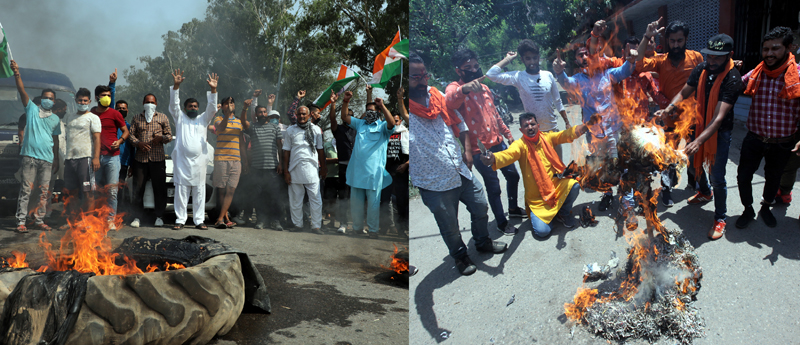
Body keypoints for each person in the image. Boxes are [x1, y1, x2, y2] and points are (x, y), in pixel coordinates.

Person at [409, 52, 507, 276]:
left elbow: (459, 121)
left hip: (458, 168)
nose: (422, 79)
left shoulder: (435, 95)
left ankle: (482, 241)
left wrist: (466, 150)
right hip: (433, 181)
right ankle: (461, 257)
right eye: (415, 76)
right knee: (450, 226)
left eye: (424, 74)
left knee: (481, 205)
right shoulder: (402, 110)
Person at [655, 34, 743, 240]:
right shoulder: (701, 69)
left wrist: (698, 141)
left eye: (717, 58)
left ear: (729, 55)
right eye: (709, 56)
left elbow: (718, 118)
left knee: (717, 176)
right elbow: (684, 92)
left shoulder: (733, 79)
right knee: (693, 162)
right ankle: (705, 192)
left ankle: (720, 218)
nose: (711, 62)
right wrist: (668, 109)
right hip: (698, 123)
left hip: (718, 132)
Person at [446, 48, 525, 236]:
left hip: (498, 143)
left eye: (475, 66)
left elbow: (495, 114)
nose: (473, 70)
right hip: (479, 150)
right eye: (468, 67)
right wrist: (464, 89)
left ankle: (513, 208)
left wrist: (507, 134)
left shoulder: (485, 88)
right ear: (459, 71)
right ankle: (501, 221)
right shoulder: (454, 88)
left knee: (513, 175)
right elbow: (449, 101)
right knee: (494, 187)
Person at [553, 44, 636, 215]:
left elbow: (625, 71)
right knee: (601, 166)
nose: (584, 57)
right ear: (576, 60)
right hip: (594, 134)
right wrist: (559, 73)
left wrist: (631, 60)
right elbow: (566, 83)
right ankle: (607, 193)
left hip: (613, 129)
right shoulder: (577, 79)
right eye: (579, 55)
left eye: (586, 54)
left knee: (621, 165)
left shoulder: (607, 74)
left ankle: (627, 201)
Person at [481, 113, 594, 237]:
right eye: (526, 125)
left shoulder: (547, 137)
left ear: (538, 125)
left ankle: (563, 212)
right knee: (542, 232)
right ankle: (548, 215)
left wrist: (585, 127)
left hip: (555, 188)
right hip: (538, 199)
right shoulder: (520, 145)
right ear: (521, 129)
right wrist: (493, 158)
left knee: (574, 185)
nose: (530, 127)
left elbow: (565, 135)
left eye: (532, 124)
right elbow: (509, 154)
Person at [734, 27, 800, 229]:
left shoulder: (797, 75)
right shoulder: (757, 72)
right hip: (754, 138)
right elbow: (736, 85)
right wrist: (728, 69)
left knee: (773, 178)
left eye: (775, 49)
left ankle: (765, 207)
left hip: (782, 143)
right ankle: (748, 209)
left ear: (789, 48)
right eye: (766, 49)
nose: (769, 54)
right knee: (743, 176)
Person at [636, 19, 705, 206]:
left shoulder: (696, 58)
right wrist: (647, 36)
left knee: (692, 155)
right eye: (672, 41)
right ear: (667, 41)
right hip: (670, 120)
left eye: (679, 41)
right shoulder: (660, 61)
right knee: (668, 158)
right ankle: (666, 191)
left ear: (686, 39)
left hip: (692, 118)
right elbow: (638, 63)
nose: (676, 45)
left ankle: (695, 183)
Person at [486, 39, 571, 160]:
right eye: (528, 58)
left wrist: (567, 122)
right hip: (532, 134)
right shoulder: (518, 77)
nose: (532, 62)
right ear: (522, 59)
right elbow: (491, 75)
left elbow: (558, 101)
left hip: (552, 130)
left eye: (535, 58)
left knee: (559, 169)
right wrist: (508, 59)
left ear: (538, 57)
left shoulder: (548, 75)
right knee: (542, 171)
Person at [9, 60, 62, 232]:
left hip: (47, 160)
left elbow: (55, 141)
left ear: (54, 102)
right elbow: (21, 90)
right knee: (26, 190)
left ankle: (39, 220)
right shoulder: (31, 109)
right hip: (30, 158)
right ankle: (21, 221)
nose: (48, 100)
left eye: (51, 98)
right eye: (45, 97)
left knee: (44, 192)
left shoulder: (56, 119)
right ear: (41, 99)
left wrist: (56, 160)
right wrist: (17, 72)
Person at [167, 69, 219, 230]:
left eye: (195, 106)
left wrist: (213, 89)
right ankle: (180, 220)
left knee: (199, 192)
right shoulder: (180, 118)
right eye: (190, 106)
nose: (193, 108)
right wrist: (176, 86)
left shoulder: (203, 119)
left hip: (199, 163)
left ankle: (199, 220)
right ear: (185, 108)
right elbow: (174, 105)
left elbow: (212, 108)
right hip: (182, 162)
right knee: (181, 192)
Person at [341, 90, 396, 239]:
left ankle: (373, 230)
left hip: (374, 174)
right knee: (356, 204)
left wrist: (383, 106)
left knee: (373, 205)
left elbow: (392, 123)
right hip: (357, 172)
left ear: (378, 113)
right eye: (367, 111)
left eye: (372, 111)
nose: (369, 114)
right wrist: (345, 101)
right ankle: (357, 228)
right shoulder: (360, 124)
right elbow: (344, 117)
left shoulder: (383, 127)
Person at [242, 93, 286, 231]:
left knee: (274, 196)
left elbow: (280, 146)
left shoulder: (275, 127)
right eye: (259, 112)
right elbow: (243, 122)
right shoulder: (253, 127)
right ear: (256, 114)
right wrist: (244, 108)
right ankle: (260, 220)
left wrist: (281, 164)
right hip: (256, 168)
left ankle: (275, 221)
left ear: (267, 113)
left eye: (264, 111)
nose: (262, 113)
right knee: (259, 196)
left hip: (272, 167)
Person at [128, 93, 173, 228]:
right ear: (143, 103)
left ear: (156, 104)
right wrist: (138, 143)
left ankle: (159, 216)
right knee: (138, 189)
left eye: (152, 102)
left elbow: (169, 136)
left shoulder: (162, 117)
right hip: (140, 159)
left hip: (157, 158)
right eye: (147, 102)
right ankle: (137, 217)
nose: (150, 104)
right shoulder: (137, 118)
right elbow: (130, 136)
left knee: (159, 189)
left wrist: (162, 138)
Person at [91, 75, 129, 228]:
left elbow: (125, 131)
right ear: (96, 97)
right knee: (96, 190)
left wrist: (120, 141)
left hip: (113, 158)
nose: (106, 98)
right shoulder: (91, 113)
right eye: (103, 96)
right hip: (95, 158)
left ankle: (111, 219)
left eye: (108, 95)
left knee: (112, 191)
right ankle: (95, 217)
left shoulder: (115, 113)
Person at [283, 105, 326, 233]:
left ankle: (316, 226)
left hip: (312, 169)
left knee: (315, 199)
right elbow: (286, 151)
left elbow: (320, 150)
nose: (301, 116)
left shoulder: (316, 130)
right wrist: (286, 171)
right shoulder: (290, 130)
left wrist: (323, 168)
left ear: (309, 115)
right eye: (299, 114)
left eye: (304, 114)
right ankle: (297, 225)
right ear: (296, 115)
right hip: (294, 168)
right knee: (295, 199)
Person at [62, 87, 102, 221]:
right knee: (72, 192)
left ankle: (89, 221)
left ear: (90, 101)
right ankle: (73, 221)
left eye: (85, 101)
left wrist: (96, 158)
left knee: (88, 191)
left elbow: (97, 139)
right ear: (75, 101)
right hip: (70, 158)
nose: (82, 103)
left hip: (86, 158)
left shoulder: (93, 118)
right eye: (80, 100)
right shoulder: (70, 117)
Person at [211, 95, 247, 229]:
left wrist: (245, 161)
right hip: (221, 159)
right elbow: (220, 128)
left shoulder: (239, 122)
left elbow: (242, 144)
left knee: (231, 189)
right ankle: (225, 217)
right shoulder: (218, 119)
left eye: (231, 102)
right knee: (221, 190)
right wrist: (226, 114)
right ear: (222, 106)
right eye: (226, 103)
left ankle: (220, 218)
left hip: (236, 159)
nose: (229, 105)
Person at [381, 88, 410, 236]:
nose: (395, 122)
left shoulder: (406, 132)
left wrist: (406, 165)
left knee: (402, 201)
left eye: (397, 120)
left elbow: (413, 152)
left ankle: (402, 228)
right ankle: (386, 226)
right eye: (392, 120)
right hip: (386, 171)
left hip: (401, 171)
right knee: (384, 200)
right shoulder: (384, 133)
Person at [331, 101, 357, 234]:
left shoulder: (357, 129)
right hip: (343, 168)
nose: (349, 118)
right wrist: (333, 104)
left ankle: (357, 225)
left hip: (357, 168)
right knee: (343, 196)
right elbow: (332, 118)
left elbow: (366, 115)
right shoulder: (338, 129)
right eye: (347, 115)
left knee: (357, 197)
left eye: (351, 116)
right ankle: (343, 223)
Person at [114, 100, 134, 185]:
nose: (121, 110)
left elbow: (132, 148)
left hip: (123, 162)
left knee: (120, 187)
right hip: (110, 160)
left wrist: (132, 165)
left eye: (123, 108)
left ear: (127, 111)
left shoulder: (130, 127)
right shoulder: (111, 125)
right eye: (119, 108)